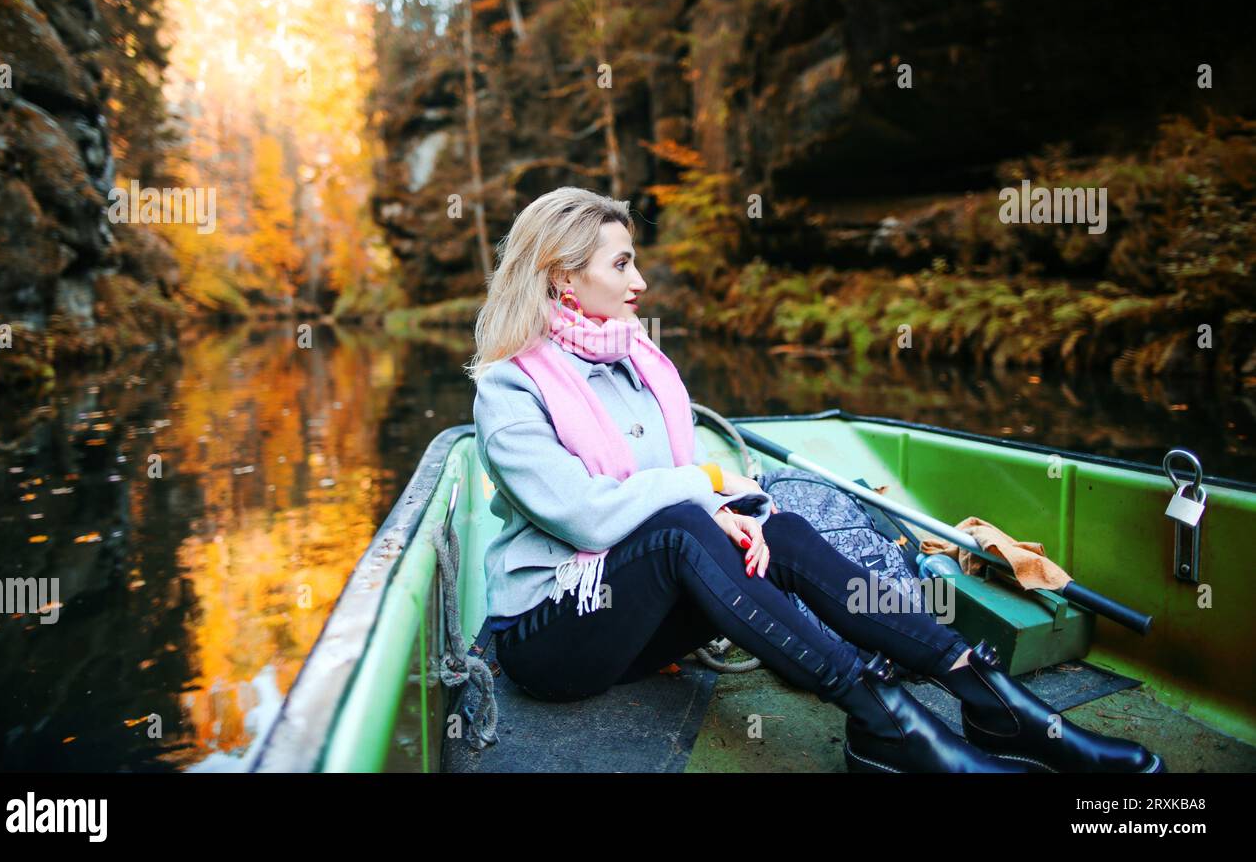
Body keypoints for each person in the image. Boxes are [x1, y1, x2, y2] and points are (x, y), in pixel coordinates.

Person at [465, 186, 1164, 774]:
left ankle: (989, 698)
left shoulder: (636, 361)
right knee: (685, 528)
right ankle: (883, 717)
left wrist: (731, 505)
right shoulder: (511, 387)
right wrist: (706, 490)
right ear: (563, 275)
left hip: (636, 623)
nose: (639, 282)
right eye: (622, 265)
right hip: (554, 635)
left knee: (786, 531)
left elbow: (677, 488)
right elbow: (588, 515)